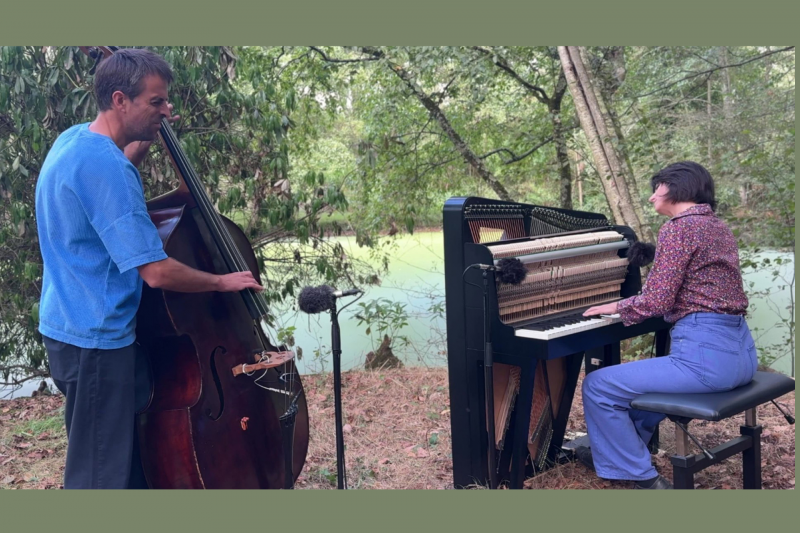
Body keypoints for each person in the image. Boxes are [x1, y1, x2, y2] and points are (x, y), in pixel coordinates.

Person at [35, 48, 263, 489]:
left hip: (69, 330)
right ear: (121, 100)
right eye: (156, 102)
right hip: (99, 345)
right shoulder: (109, 170)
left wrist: (149, 133)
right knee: (98, 479)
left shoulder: (74, 141)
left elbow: (111, 171)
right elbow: (155, 272)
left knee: (127, 463)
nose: (168, 109)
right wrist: (220, 281)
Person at [579, 161, 756, 489]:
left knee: (599, 386)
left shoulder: (679, 227)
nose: (651, 197)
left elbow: (657, 301)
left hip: (707, 360)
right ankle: (626, 447)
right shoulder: (717, 226)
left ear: (677, 187)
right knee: (648, 381)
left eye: (656, 188)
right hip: (742, 356)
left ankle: (641, 477)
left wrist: (614, 306)